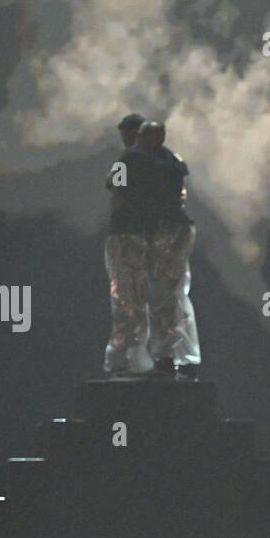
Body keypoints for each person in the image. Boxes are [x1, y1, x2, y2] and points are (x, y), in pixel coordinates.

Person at [133, 120, 201, 380]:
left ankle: (168, 356)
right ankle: (182, 357)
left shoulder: (156, 163)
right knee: (175, 296)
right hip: (174, 229)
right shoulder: (168, 161)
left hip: (168, 230)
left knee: (165, 296)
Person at [103, 113, 153, 377]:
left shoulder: (130, 159)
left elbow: (115, 187)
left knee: (125, 297)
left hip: (125, 234)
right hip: (138, 235)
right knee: (136, 298)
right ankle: (133, 357)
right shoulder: (150, 161)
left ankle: (124, 359)